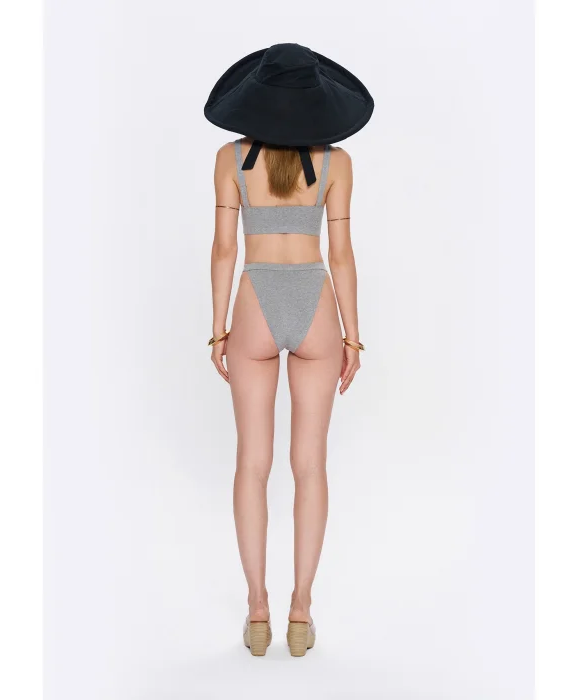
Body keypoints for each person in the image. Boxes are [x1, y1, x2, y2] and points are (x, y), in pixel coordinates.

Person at [203, 43, 374, 657]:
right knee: (310, 466)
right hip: (314, 303)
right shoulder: (337, 163)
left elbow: (225, 249)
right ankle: (301, 611)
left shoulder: (230, 159)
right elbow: (342, 254)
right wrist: (352, 335)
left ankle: (258, 610)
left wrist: (219, 329)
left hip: (254, 301)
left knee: (252, 463)